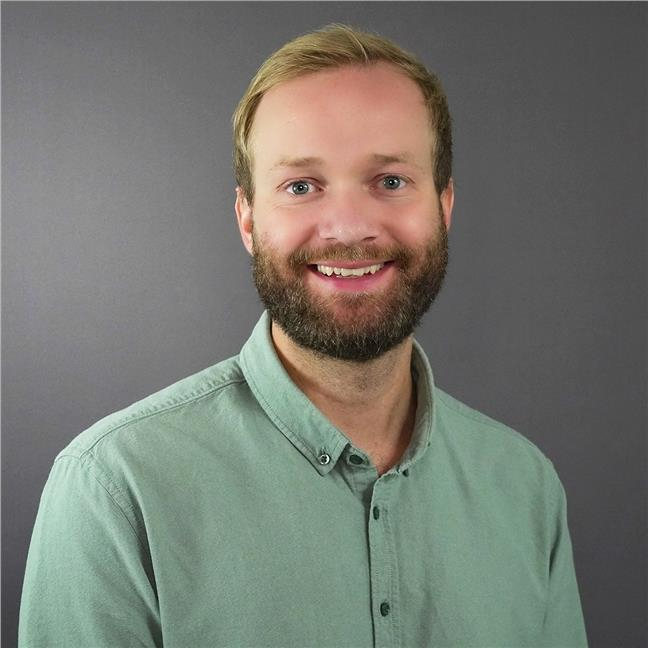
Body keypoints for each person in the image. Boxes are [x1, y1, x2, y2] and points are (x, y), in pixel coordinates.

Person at [19, 24, 588, 647]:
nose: (348, 227)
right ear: (247, 219)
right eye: (300, 187)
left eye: (390, 181)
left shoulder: (525, 487)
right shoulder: (114, 491)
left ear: (444, 206)